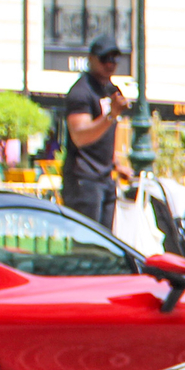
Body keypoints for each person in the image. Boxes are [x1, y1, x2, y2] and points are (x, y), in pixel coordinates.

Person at [60, 33, 131, 228]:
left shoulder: (111, 90)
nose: (110, 64)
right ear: (91, 59)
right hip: (83, 179)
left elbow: (109, 135)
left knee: (105, 243)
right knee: (87, 242)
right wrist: (110, 116)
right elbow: (80, 136)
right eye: (105, 58)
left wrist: (116, 163)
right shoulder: (81, 91)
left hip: (105, 177)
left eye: (114, 59)